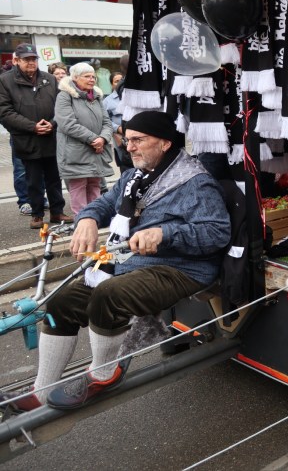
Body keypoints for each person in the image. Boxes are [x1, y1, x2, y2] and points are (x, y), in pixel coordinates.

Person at [0, 111, 231, 412]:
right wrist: (87, 219)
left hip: (181, 266)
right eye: (127, 139)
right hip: (132, 259)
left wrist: (165, 233)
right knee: (62, 302)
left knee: (110, 295)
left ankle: (104, 374)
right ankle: (41, 389)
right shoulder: (134, 176)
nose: (129, 147)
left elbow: (217, 232)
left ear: (164, 143)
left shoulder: (195, 182)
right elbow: (104, 204)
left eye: (138, 140)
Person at [0, 43, 72, 228]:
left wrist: (53, 123)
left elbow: (61, 106)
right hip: (27, 139)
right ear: (17, 60)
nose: (31, 62)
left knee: (54, 178)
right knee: (32, 180)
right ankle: (37, 214)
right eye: (27, 59)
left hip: (51, 136)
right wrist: (33, 127)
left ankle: (57, 212)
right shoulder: (5, 81)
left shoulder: (49, 79)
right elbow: (5, 112)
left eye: (34, 59)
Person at [55, 62, 114, 215]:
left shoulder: (96, 96)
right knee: (78, 186)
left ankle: (96, 218)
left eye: (93, 77)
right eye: (87, 76)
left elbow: (107, 122)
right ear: (75, 78)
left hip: (96, 149)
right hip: (75, 151)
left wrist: (103, 138)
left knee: (95, 184)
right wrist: (94, 139)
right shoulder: (64, 96)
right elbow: (67, 124)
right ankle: (82, 220)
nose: (92, 79)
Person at [103, 54, 133, 173]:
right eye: (116, 81)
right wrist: (117, 128)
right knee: (126, 170)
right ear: (112, 84)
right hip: (121, 139)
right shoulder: (107, 101)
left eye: (121, 80)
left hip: (135, 135)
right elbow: (105, 120)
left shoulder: (133, 95)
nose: (119, 82)